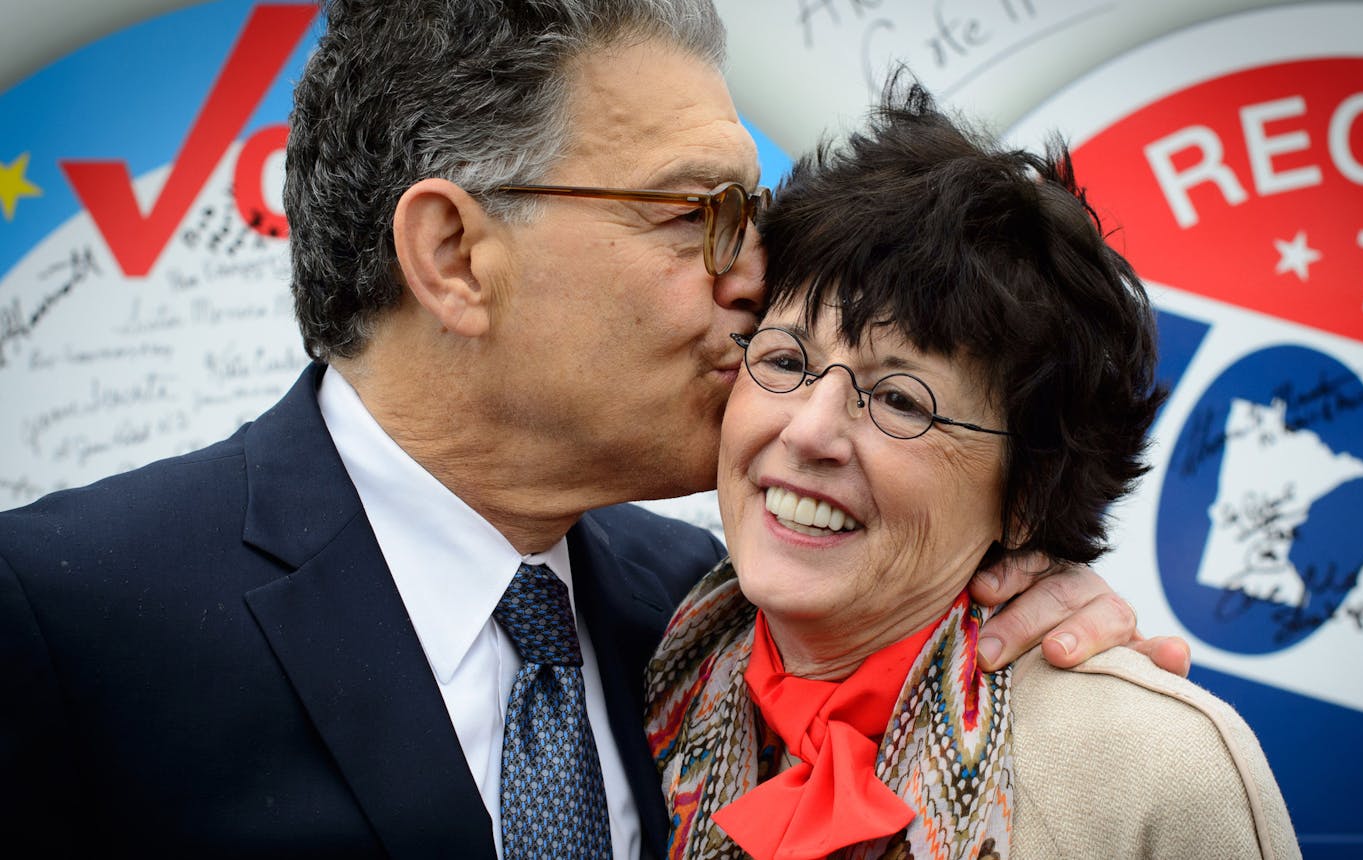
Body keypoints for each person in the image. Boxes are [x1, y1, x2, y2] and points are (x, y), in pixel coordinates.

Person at [1, 3, 1183, 857]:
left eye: (753, 213)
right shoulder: (61, 618)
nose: (753, 273)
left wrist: (1005, 599)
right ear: (455, 256)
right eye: (697, 214)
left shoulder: (706, 615)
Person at [646, 82, 1299, 860]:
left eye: (898, 399)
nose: (810, 430)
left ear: (1025, 496)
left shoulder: (1149, 770)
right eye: (787, 359)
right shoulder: (641, 656)